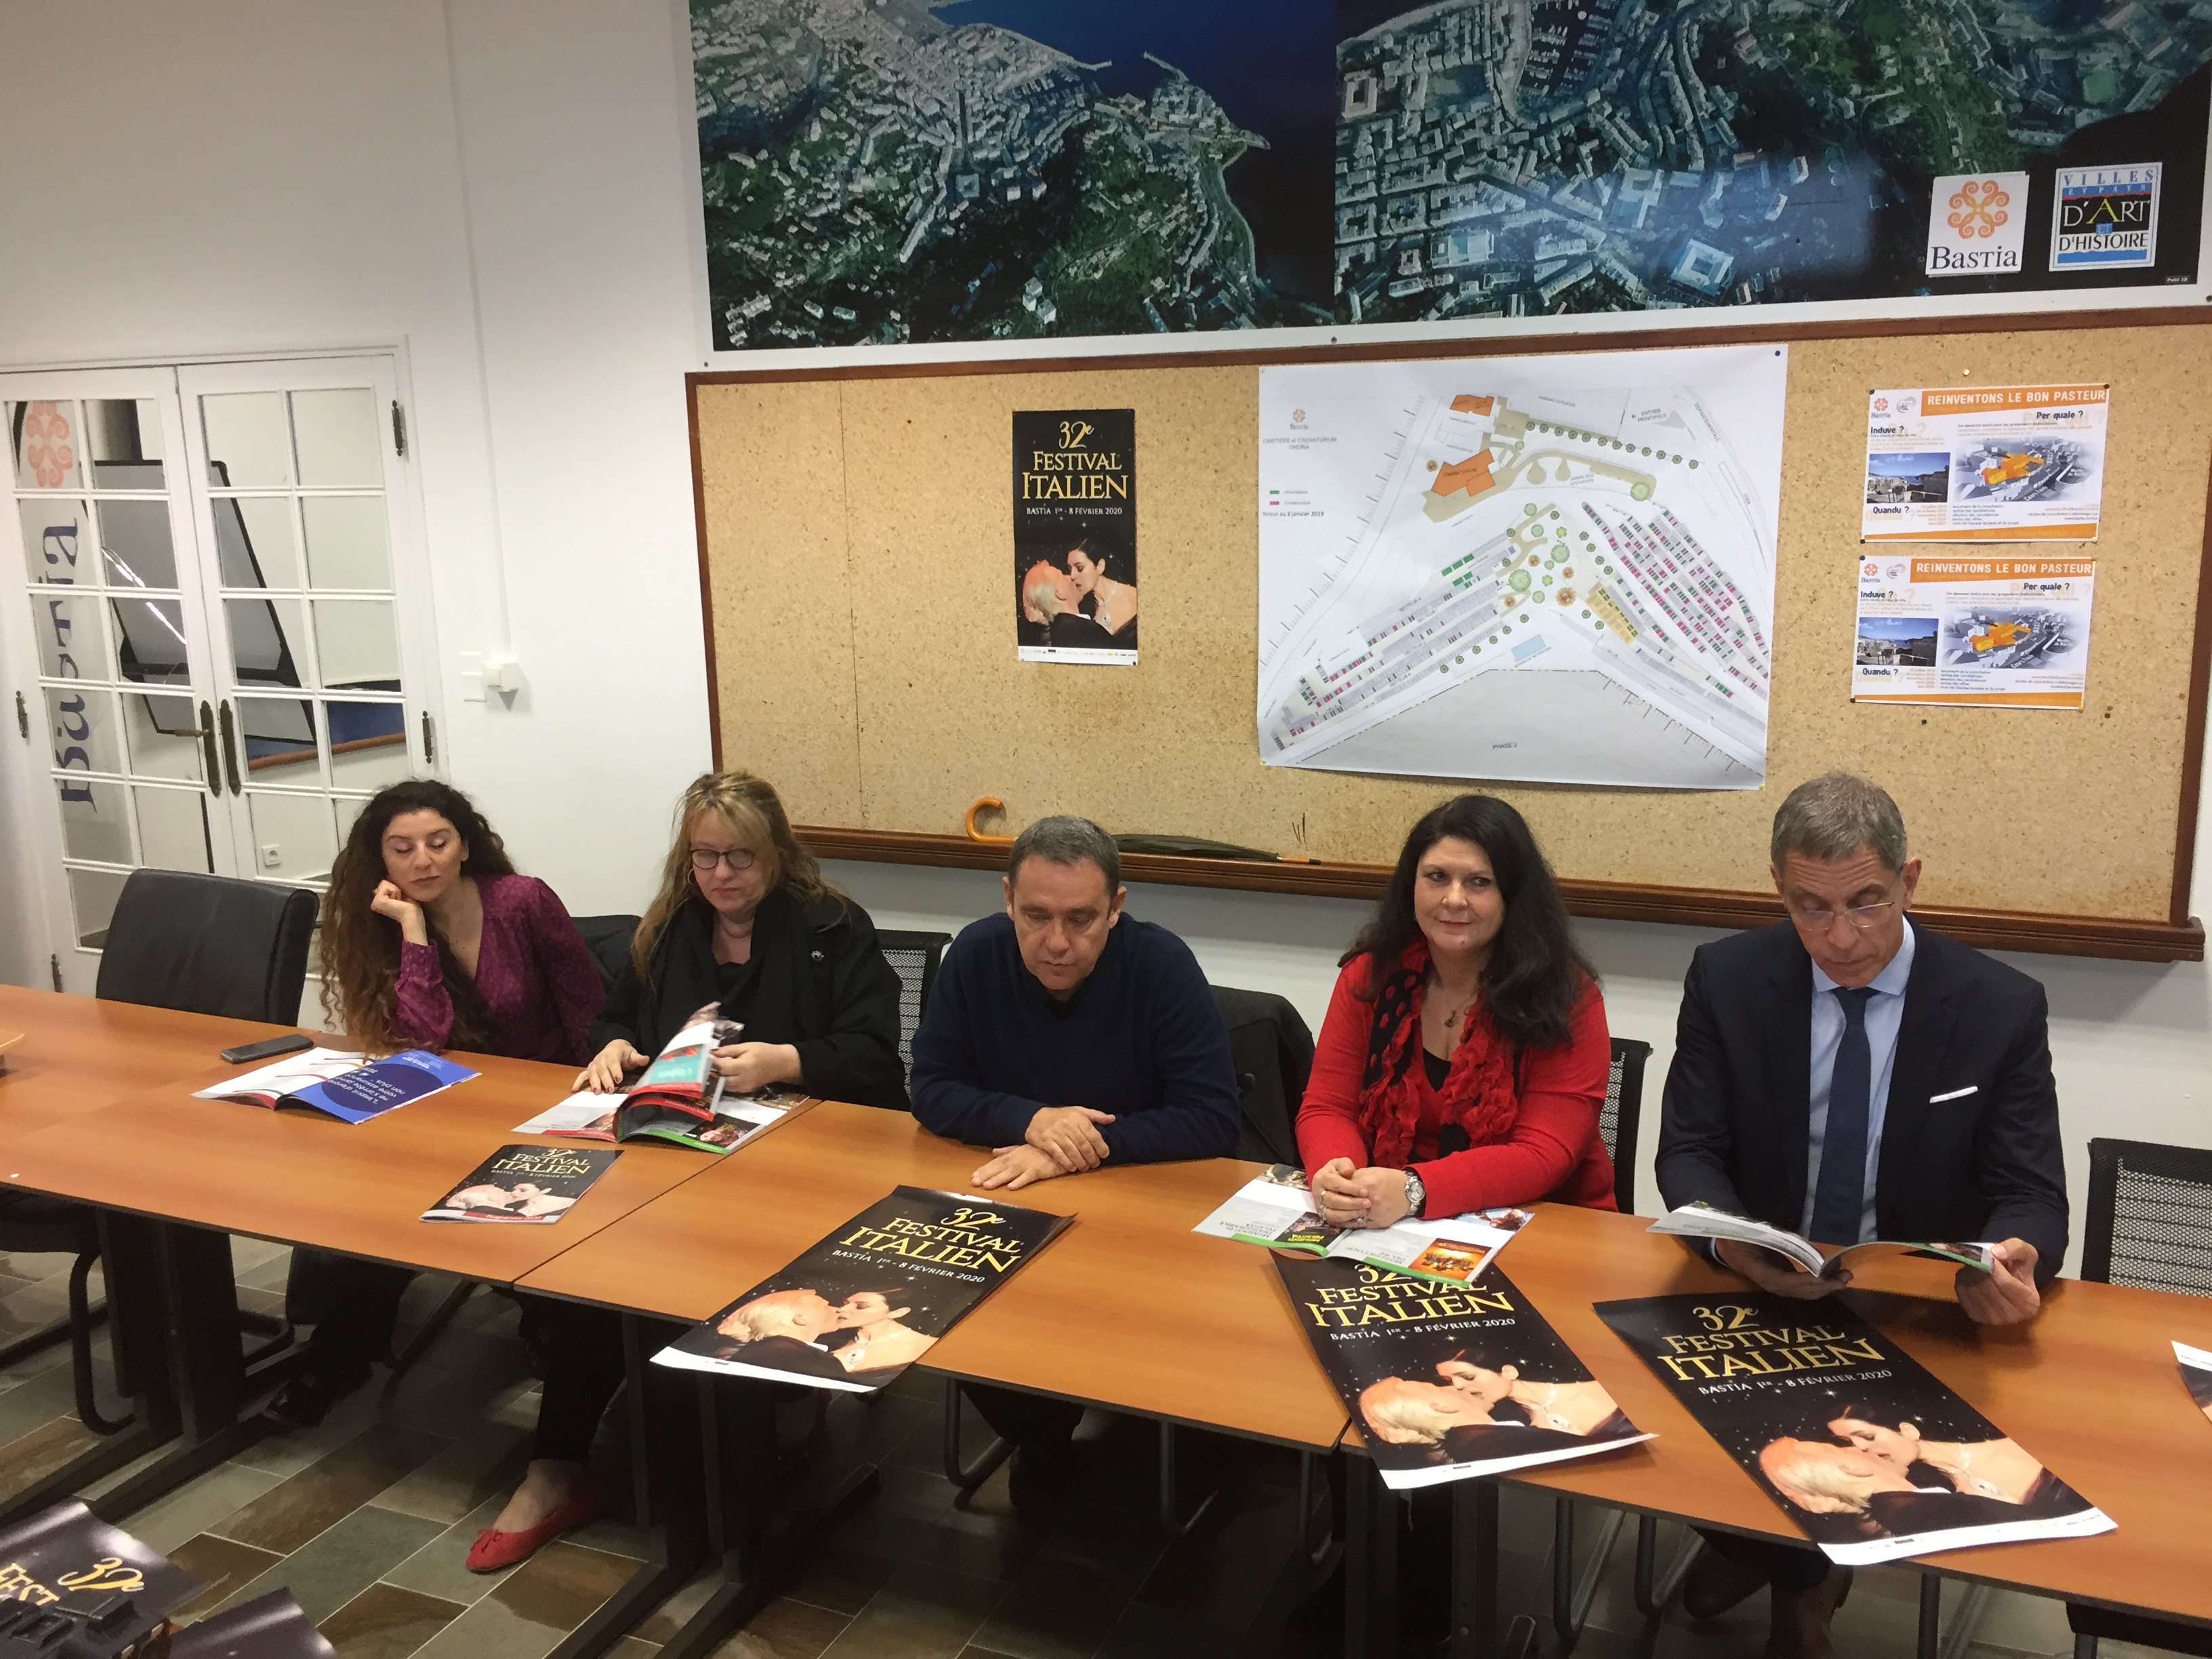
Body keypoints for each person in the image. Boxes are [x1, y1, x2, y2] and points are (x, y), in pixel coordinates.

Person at [1656, 771, 2069, 1658]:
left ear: (1910, 880)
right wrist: (1735, 1244)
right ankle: (1799, 1569)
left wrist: (2013, 1257)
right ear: (1779, 889)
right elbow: (1687, 1150)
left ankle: (1780, 1565)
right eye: (1811, 908)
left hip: (1917, 1306)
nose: (1841, 938)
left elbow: (2031, 1189)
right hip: (1766, 1286)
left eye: (1867, 903)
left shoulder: (1998, 1005)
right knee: (1636, 1408)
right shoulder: (1727, 978)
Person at [469, 770, 907, 1573]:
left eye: (740, 855)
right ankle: (555, 1465)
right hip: (684, 1155)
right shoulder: (671, 928)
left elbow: (881, 1056)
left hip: (806, 1161)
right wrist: (608, 1044)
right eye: (705, 857)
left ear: (777, 853)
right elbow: (620, 1017)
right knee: (593, 1274)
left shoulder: (831, 926)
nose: (722, 875)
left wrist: (790, 1058)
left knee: (734, 1286)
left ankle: (748, 1446)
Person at [909, 814, 1238, 1502]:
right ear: (1007, 900)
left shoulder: (1161, 965)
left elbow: (1213, 1118)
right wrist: (1031, 1119)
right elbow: (931, 1089)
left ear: (1117, 908)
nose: (1056, 942)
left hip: (1141, 1219)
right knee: (936, 1297)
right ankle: (1043, 1437)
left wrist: (1077, 1150)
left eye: (1082, 919)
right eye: (1035, 916)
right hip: (1011, 1199)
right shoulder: (974, 956)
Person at [268, 779, 603, 1427]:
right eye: (403, 849)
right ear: (382, 861)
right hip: (446, 1108)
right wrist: (415, 934)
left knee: (501, 1197)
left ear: (464, 844)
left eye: (437, 842)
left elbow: (590, 1014)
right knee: (375, 1209)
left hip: (545, 1105)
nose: (423, 861)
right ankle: (340, 1353)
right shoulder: (383, 926)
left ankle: (546, 1319)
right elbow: (423, 1040)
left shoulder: (522, 902)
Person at [1297, 794, 1615, 1231]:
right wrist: (1340, 1179)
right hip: (1392, 1225)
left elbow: (1544, 1155)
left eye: (1480, 882)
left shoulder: (1567, 996)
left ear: (1513, 894)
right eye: (1437, 877)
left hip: (1546, 1226)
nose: (1454, 899)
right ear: (1412, 884)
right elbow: (1326, 1107)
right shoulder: (1370, 976)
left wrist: (1413, 1190)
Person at [1757, 1437, 2032, 1536]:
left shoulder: (1898, 1514)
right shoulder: (1944, 1509)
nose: (1857, 1447)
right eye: (1842, 1448)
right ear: (1853, 1469)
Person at [1824, 1406, 2070, 1511]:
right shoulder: (1933, 1491)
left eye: (1867, 1436)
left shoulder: (2007, 1450)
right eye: (1848, 1443)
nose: (1860, 1448)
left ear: (1908, 1430)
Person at [827, 1290, 935, 1376]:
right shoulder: (828, 1336)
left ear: (897, 1313)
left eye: (861, 1307)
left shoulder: (924, 1345)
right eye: (845, 1304)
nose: (842, 1309)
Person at [1065, 539, 1136, 641]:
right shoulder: (1084, 610)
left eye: (1080, 568)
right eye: (1070, 569)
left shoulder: (1133, 597)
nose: (1072, 576)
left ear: (1100, 566)